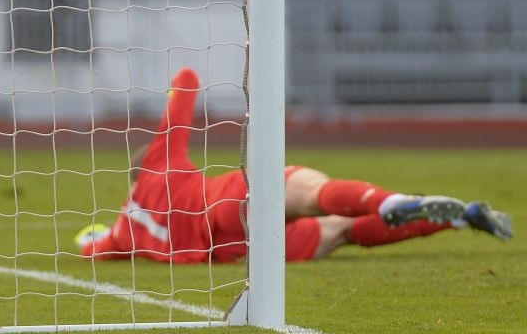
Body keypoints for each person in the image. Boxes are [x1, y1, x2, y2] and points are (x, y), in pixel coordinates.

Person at [77, 67, 513, 263]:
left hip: (236, 251)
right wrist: (177, 87)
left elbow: (92, 248)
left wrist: (91, 238)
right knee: (316, 195)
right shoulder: (159, 161)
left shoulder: (122, 231)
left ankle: (459, 219)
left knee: (341, 233)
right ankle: (390, 201)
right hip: (227, 201)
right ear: (146, 166)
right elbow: (188, 79)